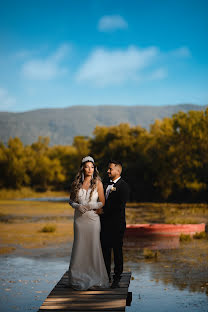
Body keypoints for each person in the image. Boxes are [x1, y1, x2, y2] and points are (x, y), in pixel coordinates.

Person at [67, 156, 109, 290]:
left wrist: (90, 205)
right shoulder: (76, 184)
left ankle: (96, 277)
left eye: (92, 167)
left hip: (92, 219)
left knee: (93, 246)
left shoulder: (98, 183)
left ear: (94, 168)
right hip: (79, 220)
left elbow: (102, 202)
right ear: (83, 169)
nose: (90, 169)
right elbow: (71, 201)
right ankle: (78, 277)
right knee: (80, 246)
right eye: (87, 167)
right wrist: (77, 206)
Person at [100, 160, 129, 288]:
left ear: (117, 171)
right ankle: (106, 276)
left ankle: (117, 277)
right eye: (108, 169)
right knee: (105, 251)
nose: (107, 171)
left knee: (117, 251)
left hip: (117, 224)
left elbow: (119, 206)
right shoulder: (104, 184)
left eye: (110, 169)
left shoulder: (124, 186)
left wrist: (102, 211)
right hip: (104, 224)